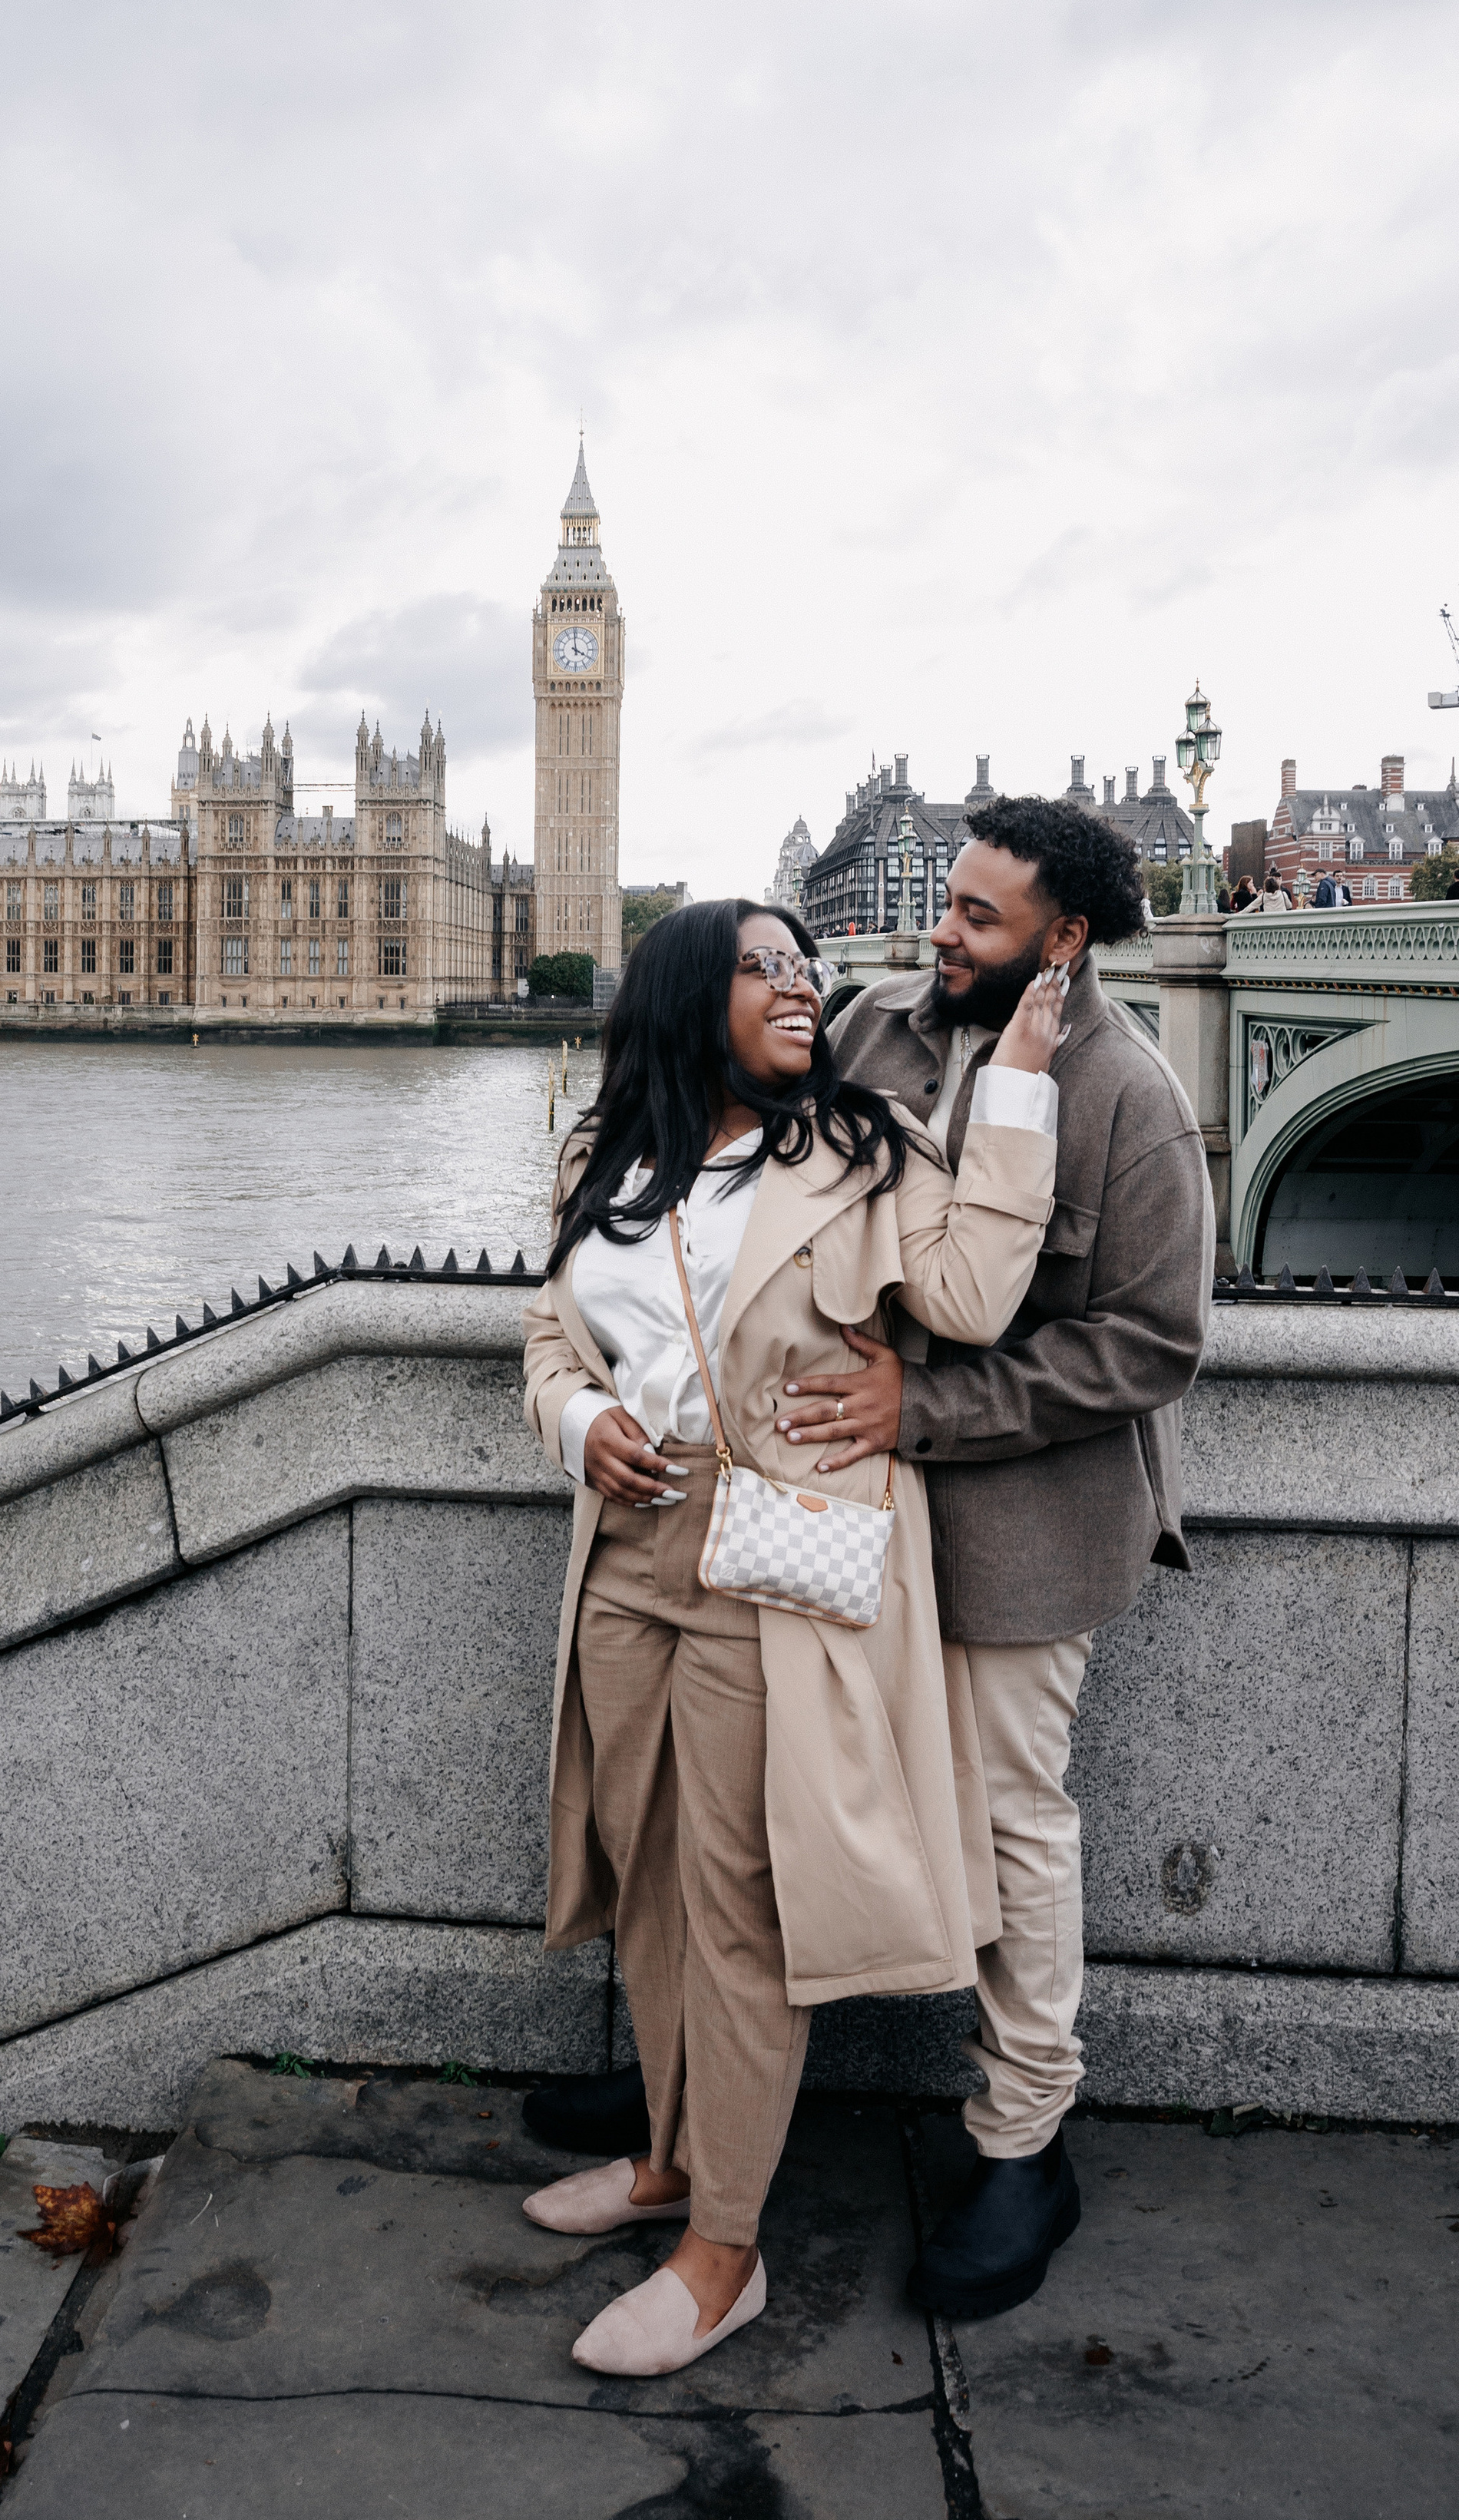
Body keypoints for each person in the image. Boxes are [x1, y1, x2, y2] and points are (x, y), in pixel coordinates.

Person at [519, 899, 1065, 2376]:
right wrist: (578, 1419)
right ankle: (668, 2160)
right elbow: (552, 1336)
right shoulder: (599, 1157)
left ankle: (726, 2249)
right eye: (762, 966)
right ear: (687, 996)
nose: (799, 986)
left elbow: (973, 1295)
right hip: (626, 1550)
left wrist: (1019, 1081)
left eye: (803, 967)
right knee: (646, 1875)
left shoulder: (859, 1147)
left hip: (774, 1553)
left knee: (741, 1903)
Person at [782, 797, 1212, 2322]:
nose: (941, 931)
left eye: (976, 914)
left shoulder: (1130, 1094)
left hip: (1022, 1520)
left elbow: (1151, 1343)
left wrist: (929, 1407)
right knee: (788, 1778)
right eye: (947, 902)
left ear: (1065, 938)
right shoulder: (873, 1024)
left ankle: (1022, 2138)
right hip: (842, 1493)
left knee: (1013, 1826)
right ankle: (709, 2076)